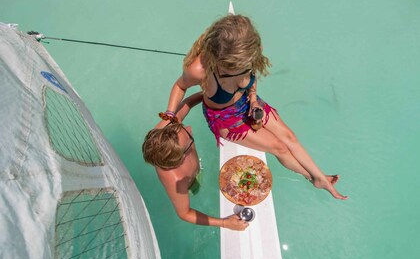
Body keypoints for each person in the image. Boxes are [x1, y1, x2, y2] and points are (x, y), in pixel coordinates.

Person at [163, 14, 348, 200]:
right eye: (232, 69)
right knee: (280, 147)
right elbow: (180, 86)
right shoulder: (199, 70)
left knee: (289, 136)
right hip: (226, 118)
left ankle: (320, 177)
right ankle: (314, 178)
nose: (241, 69)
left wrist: (252, 99)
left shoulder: (249, 51)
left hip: (248, 102)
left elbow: (251, 77)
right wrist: (170, 116)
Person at [142, 92, 249, 231]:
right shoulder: (176, 180)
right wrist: (224, 223)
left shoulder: (170, 127)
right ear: (181, 158)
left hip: (184, 158)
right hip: (190, 184)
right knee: (196, 189)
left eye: (182, 127)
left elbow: (189, 102)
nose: (189, 128)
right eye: (188, 135)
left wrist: (210, 95)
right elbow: (184, 213)